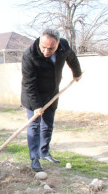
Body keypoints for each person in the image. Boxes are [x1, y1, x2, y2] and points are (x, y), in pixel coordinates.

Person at [21, 28, 82, 172]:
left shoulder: (64, 47)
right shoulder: (29, 55)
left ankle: (44, 152)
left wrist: (77, 73)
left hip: (51, 94)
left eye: (51, 48)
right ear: (40, 42)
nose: (47, 51)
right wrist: (36, 106)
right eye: (44, 47)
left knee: (47, 125)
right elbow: (29, 84)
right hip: (33, 96)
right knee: (34, 126)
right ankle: (35, 158)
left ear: (58, 44)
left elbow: (72, 58)